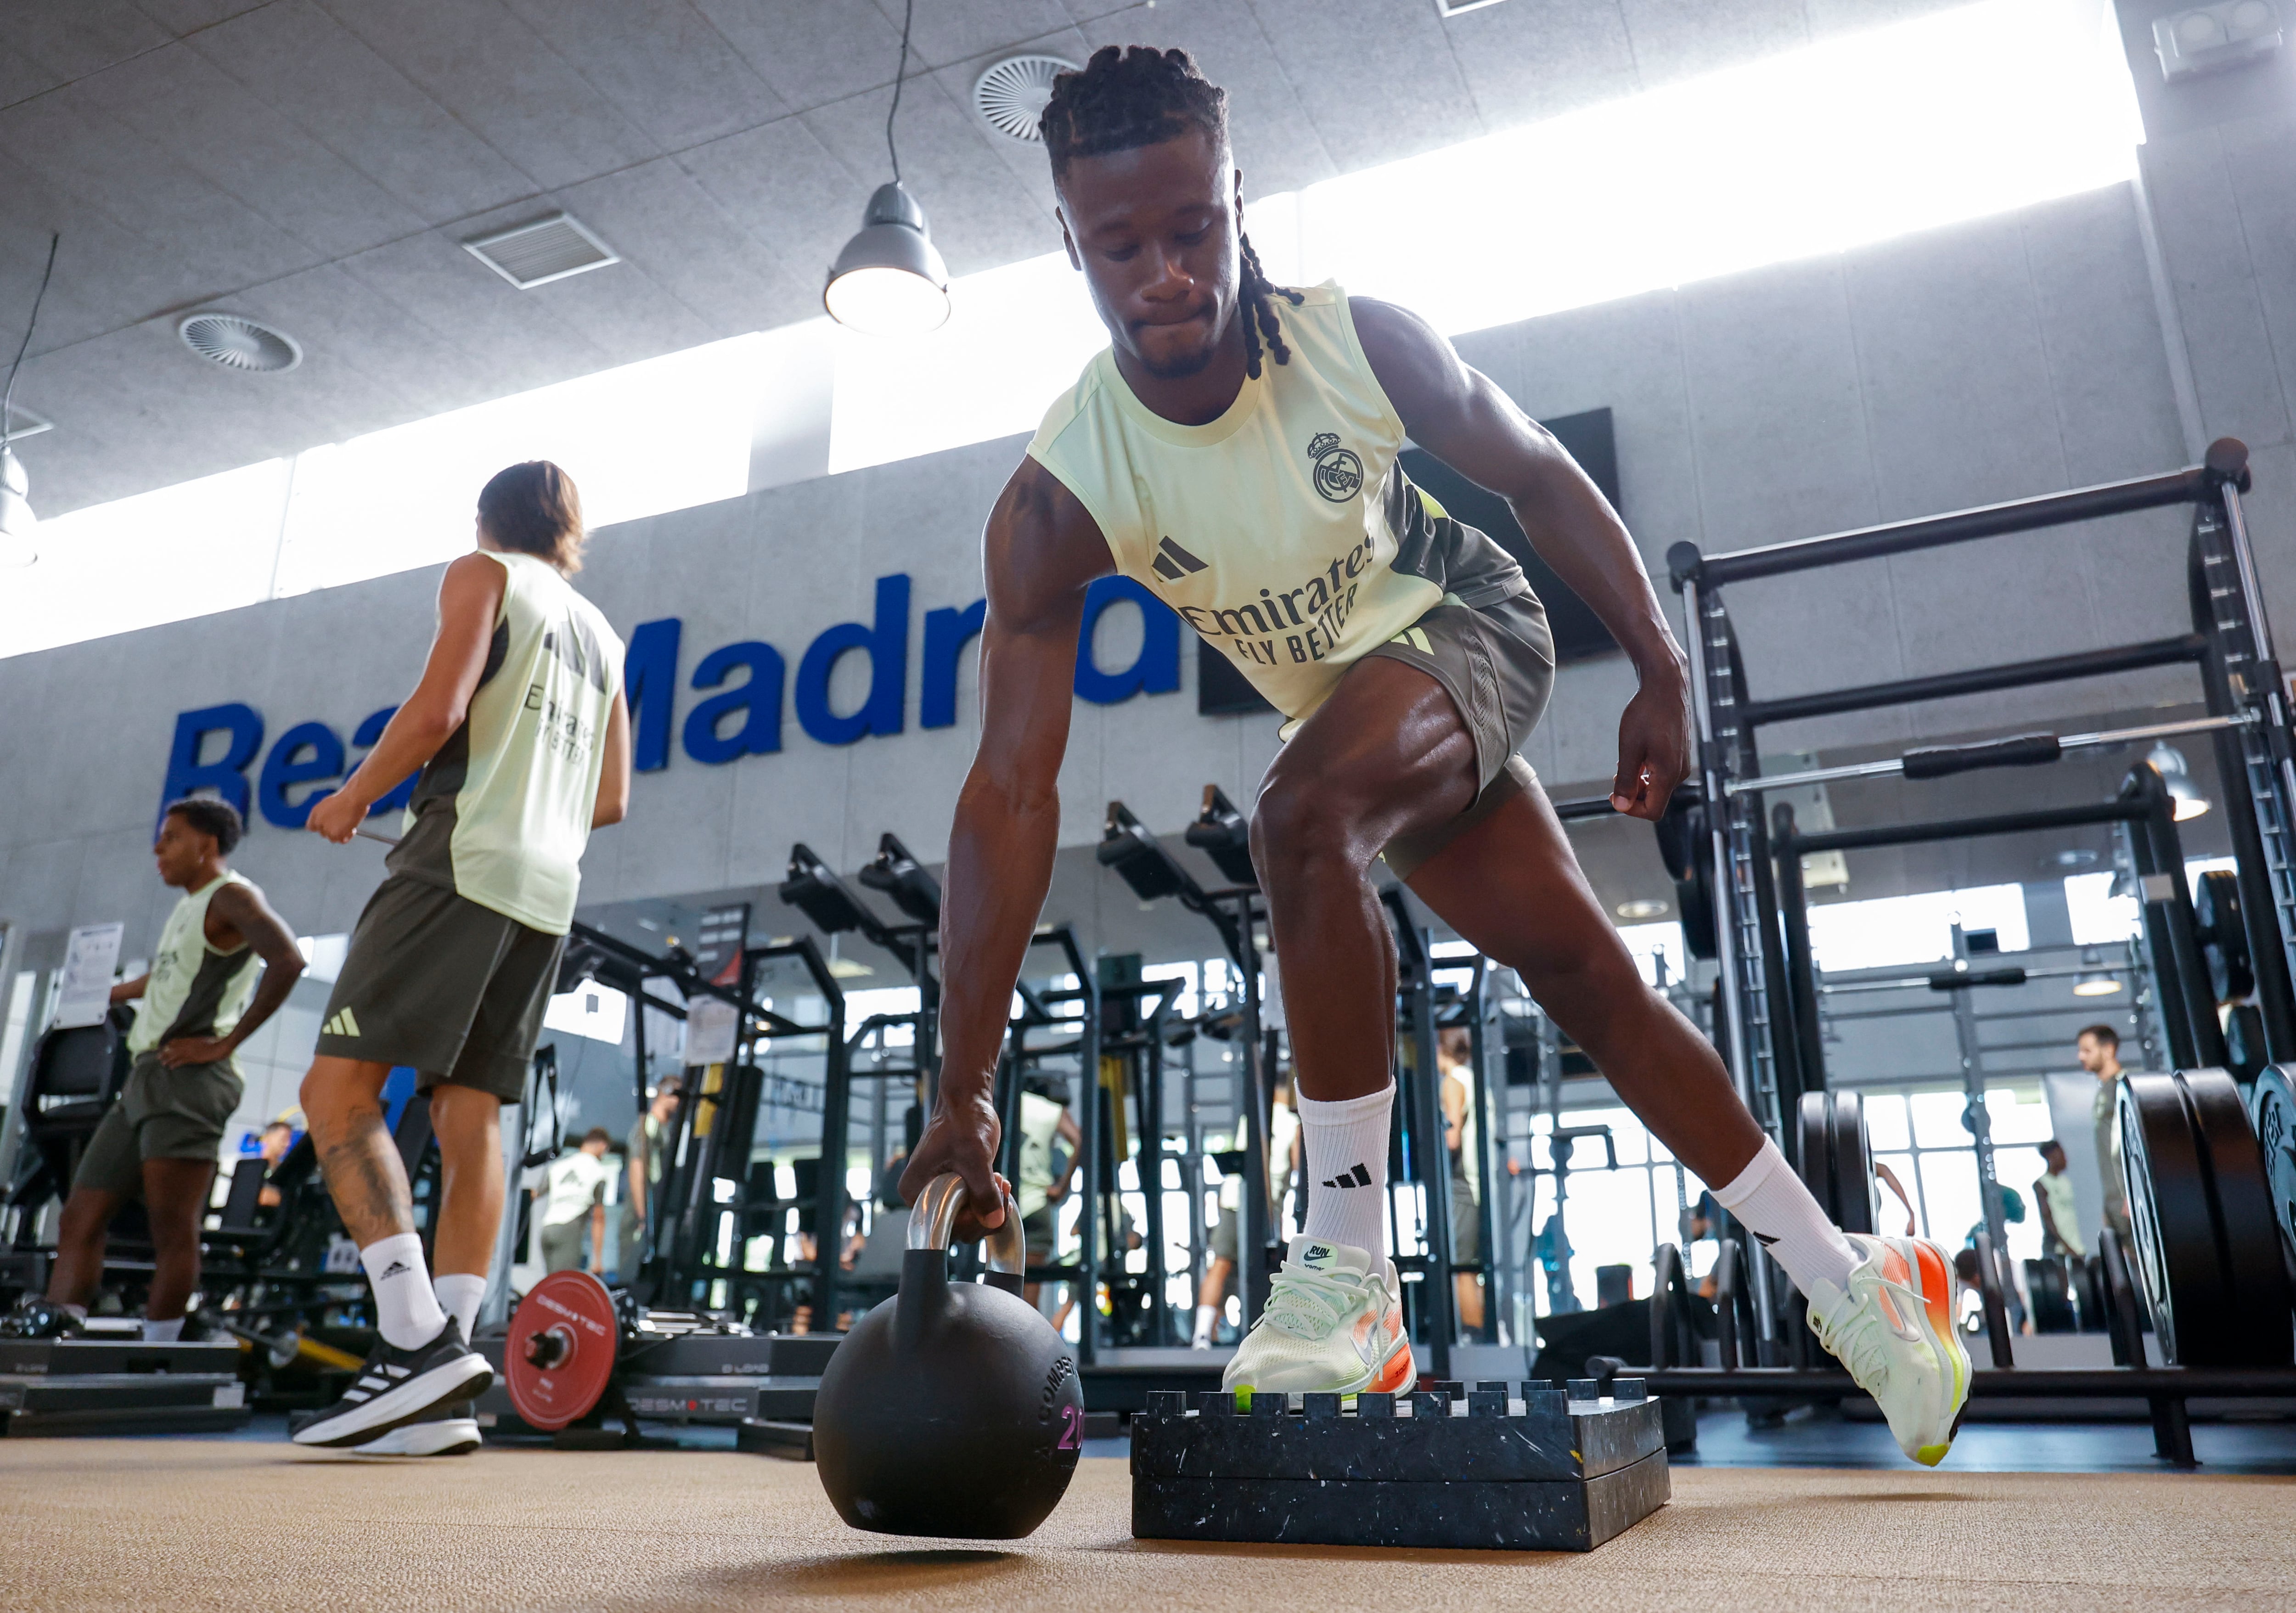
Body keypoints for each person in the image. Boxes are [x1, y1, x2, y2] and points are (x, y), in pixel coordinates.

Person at [898, 46, 1969, 1468]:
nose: (1163, 272)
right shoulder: (1063, 492)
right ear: (1068, 247)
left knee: (1297, 813)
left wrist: (1655, 665)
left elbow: (1533, 472)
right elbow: (1009, 792)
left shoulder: (1359, 342)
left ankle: (1347, 1272)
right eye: (1120, 247)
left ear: (1234, 197)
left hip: (1469, 621)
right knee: (1584, 974)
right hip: (1356, 711)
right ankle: (1857, 1280)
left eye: (1191, 230)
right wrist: (959, 1087)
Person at [290, 461, 631, 1456]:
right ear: (571, 532)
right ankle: (445, 1376)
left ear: (488, 517)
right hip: (545, 892)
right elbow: (610, 800)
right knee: (469, 1109)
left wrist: (355, 796)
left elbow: (439, 710)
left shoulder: (482, 572)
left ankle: (411, 1341)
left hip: (458, 858)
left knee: (334, 1091)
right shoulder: (605, 637)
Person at [18, 799, 304, 1343]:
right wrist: (108, 994)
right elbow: (167, 977)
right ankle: (61, 1339)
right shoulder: (190, 907)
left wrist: (226, 1043)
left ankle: (160, 1351)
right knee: (79, 1216)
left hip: (190, 1080)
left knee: (171, 1229)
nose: (157, 848)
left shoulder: (233, 896)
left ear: (207, 845)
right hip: (145, 1077)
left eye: (171, 838)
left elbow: (288, 958)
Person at [1193, 1080, 1301, 1348]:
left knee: (1230, 1266)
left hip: (1244, 1200)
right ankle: (1204, 1335)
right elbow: (1299, 1165)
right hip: (1256, 1202)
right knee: (1227, 1265)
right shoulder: (1290, 1121)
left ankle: (1206, 1335)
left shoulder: (1251, 1117)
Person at [1014, 1075, 1080, 1310]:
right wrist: (1062, 1187)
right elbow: (1079, 1140)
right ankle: (1029, 1348)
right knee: (1030, 1295)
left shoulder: (1000, 1100)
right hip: (1037, 1204)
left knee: (999, 1288)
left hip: (1002, 1202)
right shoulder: (1052, 1110)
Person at [1436, 1026, 1485, 1332]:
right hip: (1478, 1183)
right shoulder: (1474, 1078)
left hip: (1463, 1183)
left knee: (1461, 1267)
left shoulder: (1453, 1082)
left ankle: (1474, 1336)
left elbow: (1452, 1138)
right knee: (1469, 1266)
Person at [2077, 1024, 2135, 1251]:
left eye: (2087, 1050)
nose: (2080, 1056)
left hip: (2127, 1199)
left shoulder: (2125, 1088)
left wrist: (2131, 1194)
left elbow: (2129, 1145)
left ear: (2109, 1050)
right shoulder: (2105, 1091)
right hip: (2115, 1201)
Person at [619, 1075, 681, 1281]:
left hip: (656, 1212)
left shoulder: (663, 1131)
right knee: (632, 1277)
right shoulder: (648, 1126)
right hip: (643, 1215)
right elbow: (637, 1168)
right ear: (667, 1094)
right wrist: (643, 1216)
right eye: (679, 1096)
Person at [537, 1129, 615, 1274]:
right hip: (569, 1229)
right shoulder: (598, 1171)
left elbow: (535, 1193)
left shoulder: (559, 1166)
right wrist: (597, 1260)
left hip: (547, 1229)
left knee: (550, 1282)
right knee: (564, 1285)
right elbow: (598, 1218)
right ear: (603, 1147)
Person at [2033, 1140, 2086, 1259]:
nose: (2065, 1158)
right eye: (2061, 1154)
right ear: (2050, 1157)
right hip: (2058, 1250)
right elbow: (2047, 1218)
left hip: (2076, 1247)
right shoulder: (2042, 1184)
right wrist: (2067, 1247)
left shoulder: (2066, 1182)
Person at [254, 1118, 297, 1209]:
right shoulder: (252, 1166)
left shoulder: (285, 1170)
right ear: (268, 1138)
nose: (288, 1144)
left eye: (290, 1139)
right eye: (284, 1139)